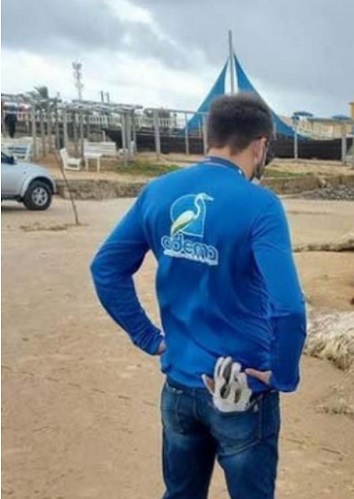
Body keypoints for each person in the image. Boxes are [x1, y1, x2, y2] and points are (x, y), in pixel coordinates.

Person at [90, 93, 307, 499]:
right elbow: (290, 309)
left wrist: (149, 337)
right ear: (260, 146)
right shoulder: (261, 206)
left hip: (179, 386)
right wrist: (283, 375)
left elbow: (105, 269)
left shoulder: (159, 191)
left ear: (210, 137)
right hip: (243, 389)